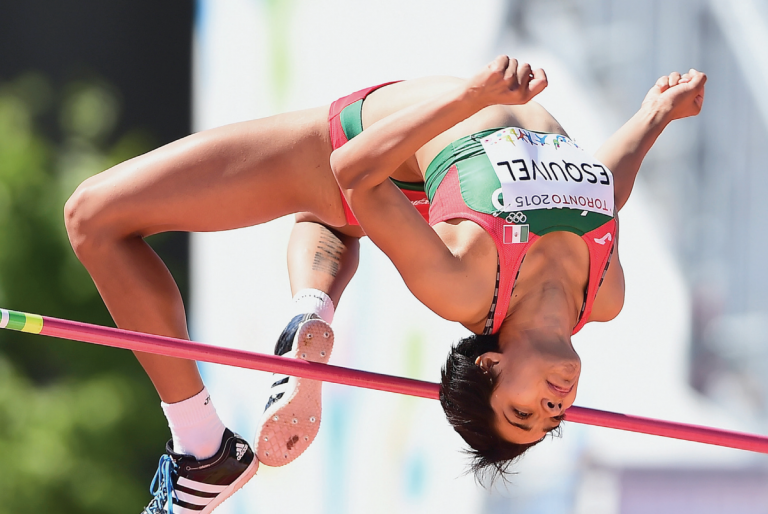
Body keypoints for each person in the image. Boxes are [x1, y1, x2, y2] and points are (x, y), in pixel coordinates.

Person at [63, 56, 705, 512]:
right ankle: (311, 309)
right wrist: (655, 116)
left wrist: (467, 99)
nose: (554, 404)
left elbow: (350, 170)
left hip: (355, 148)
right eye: (552, 419)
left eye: (523, 411)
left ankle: (201, 446)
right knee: (335, 221)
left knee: (93, 218)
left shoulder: (464, 286)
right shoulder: (605, 295)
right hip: (414, 181)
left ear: (490, 363)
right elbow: (600, 194)